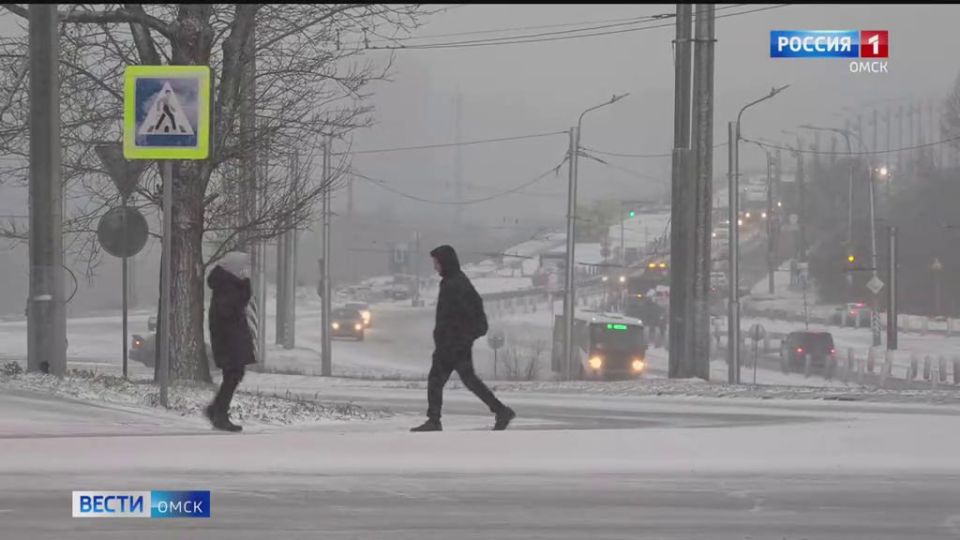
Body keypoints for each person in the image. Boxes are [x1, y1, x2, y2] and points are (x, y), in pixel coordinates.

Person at [411, 245, 516, 432]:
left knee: (436, 380)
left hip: (452, 345)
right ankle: (501, 411)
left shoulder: (455, 284)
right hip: (454, 343)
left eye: (437, 263)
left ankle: (434, 420)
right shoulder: (453, 281)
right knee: (469, 380)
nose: (435, 266)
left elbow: (471, 316)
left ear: (445, 262)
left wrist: (458, 337)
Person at [205, 251, 256, 432]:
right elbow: (230, 310)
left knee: (234, 375)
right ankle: (219, 413)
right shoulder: (227, 286)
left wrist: (244, 285)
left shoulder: (228, 284)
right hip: (228, 340)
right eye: (242, 267)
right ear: (234, 267)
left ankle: (217, 409)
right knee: (233, 375)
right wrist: (245, 285)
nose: (245, 271)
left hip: (231, 338)